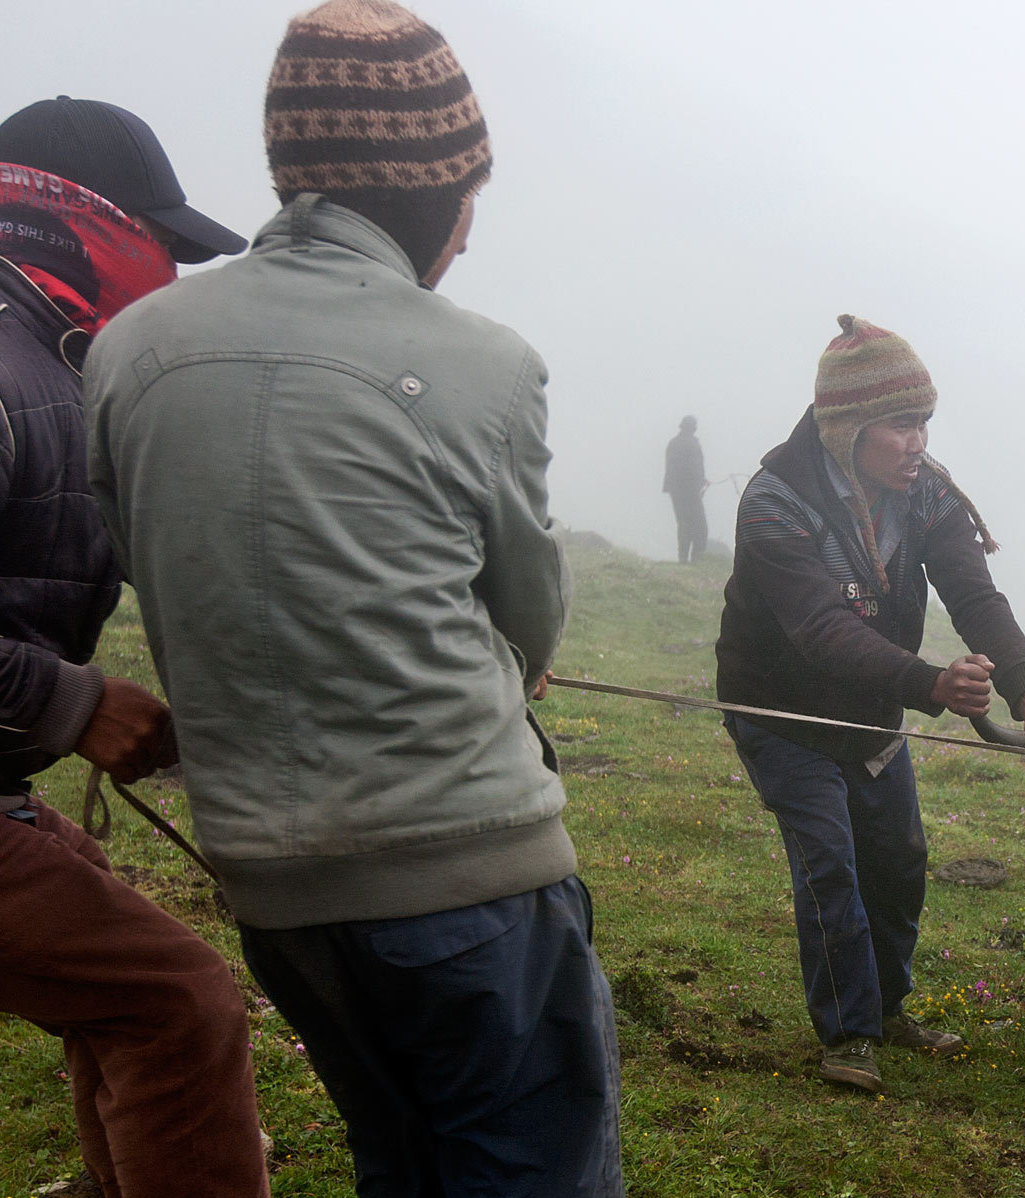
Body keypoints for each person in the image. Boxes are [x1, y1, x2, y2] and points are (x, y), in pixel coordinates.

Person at [83, 3, 622, 1194]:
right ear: (433, 193)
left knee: (402, 1155)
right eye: (469, 195)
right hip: (471, 866)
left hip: (276, 886)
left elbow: (140, 557)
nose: (470, 237)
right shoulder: (485, 360)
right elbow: (531, 611)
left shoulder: (129, 350)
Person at [0, 98, 268, 1197]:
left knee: (113, 948)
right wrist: (73, 704)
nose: (168, 269)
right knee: (179, 999)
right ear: (72, 219)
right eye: (160, 240)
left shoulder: (49, 359)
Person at [716, 314, 1025, 1093]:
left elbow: (975, 595)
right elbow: (818, 629)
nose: (918, 443)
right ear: (847, 428)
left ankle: (887, 1010)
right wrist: (928, 683)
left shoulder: (927, 493)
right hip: (784, 715)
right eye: (900, 426)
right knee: (829, 867)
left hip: (871, 713)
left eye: (924, 423)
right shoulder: (774, 502)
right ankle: (847, 1034)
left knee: (898, 862)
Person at [663, 414, 709, 562]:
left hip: (676, 491)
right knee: (700, 526)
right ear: (693, 428)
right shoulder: (691, 444)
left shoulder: (673, 443)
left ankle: (683, 558)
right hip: (690, 492)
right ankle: (696, 558)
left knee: (684, 524)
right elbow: (693, 468)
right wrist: (699, 484)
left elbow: (673, 469)